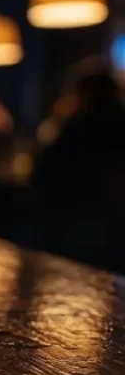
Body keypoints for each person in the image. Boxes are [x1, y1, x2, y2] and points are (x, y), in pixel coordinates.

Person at [34, 64, 125, 271]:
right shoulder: (117, 121)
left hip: (82, 219)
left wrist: (58, 119)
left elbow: (45, 170)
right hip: (113, 223)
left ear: (83, 94)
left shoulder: (79, 126)